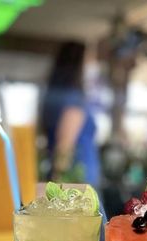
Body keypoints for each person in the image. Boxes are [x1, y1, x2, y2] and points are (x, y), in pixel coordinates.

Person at [42, 41, 100, 188]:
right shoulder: (74, 99)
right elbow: (64, 148)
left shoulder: (54, 96)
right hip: (76, 183)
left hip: (71, 180)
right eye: (89, 60)